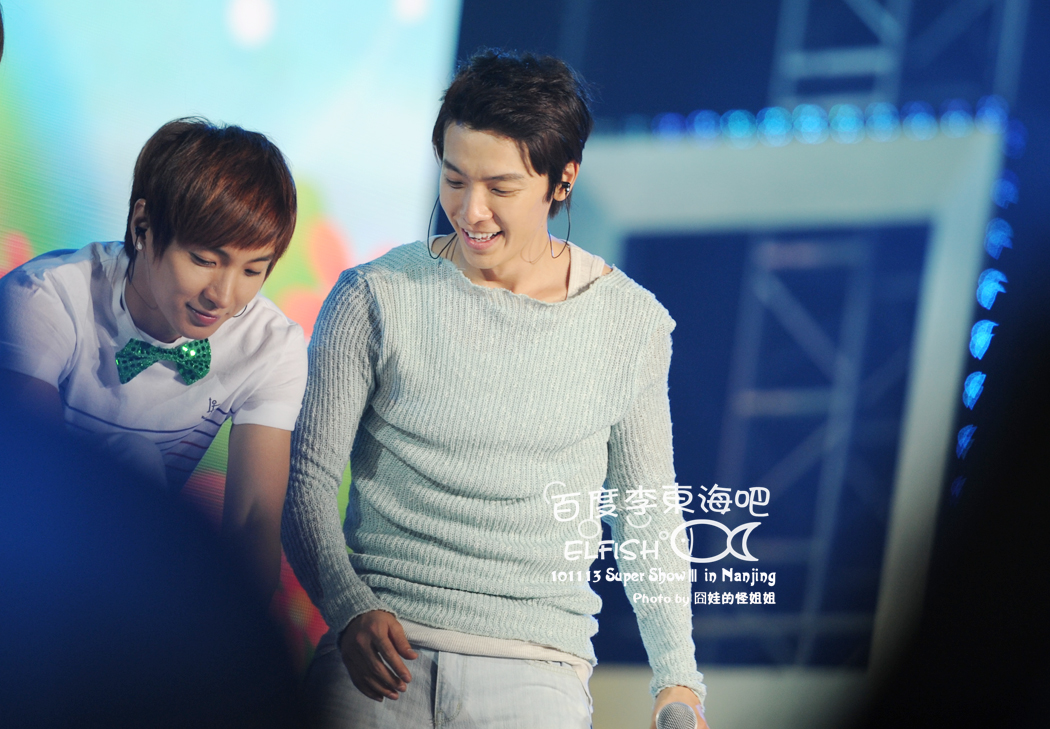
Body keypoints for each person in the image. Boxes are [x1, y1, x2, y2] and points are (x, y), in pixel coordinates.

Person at [282, 50, 708, 728]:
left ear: (562, 179)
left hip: (535, 668)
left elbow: (645, 513)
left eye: (500, 188)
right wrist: (349, 607)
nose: (470, 210)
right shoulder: (374, 295)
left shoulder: (630, 324)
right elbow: (306, 481)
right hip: (375, 650)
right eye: (454, 179)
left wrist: (678, 680)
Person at [0, 118, 307, 597]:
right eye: (205, 260)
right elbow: (34, 486)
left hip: (142, 578)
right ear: (142, 225)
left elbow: (252, 524)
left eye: (253, 270)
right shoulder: (44, 297)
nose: (224, 295)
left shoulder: (270, 345)